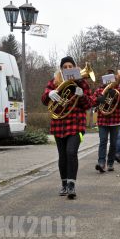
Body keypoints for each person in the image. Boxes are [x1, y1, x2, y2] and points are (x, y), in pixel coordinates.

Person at [41, 56, 92, 199]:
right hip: (59, 124)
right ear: (61, 69)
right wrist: (49, 94)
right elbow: (44, 100)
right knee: (62, 156)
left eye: (71, 66)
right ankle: (64, 184)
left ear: (75, 68)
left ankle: (71, 185)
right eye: (65, 67)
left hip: (76, 124)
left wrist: (81, 95)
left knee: (71, 152)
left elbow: (88, 105)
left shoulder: (82, 83)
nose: (68, 69)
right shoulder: (55, 81)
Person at [91, 70, 120, 173]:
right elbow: (92, 102)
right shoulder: (99, 90)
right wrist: (99, 99)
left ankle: (110, 163)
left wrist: (117, 96)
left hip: (115, 120)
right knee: (103, 142)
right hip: (102, 120)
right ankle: (101, 163)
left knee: (113, 143)